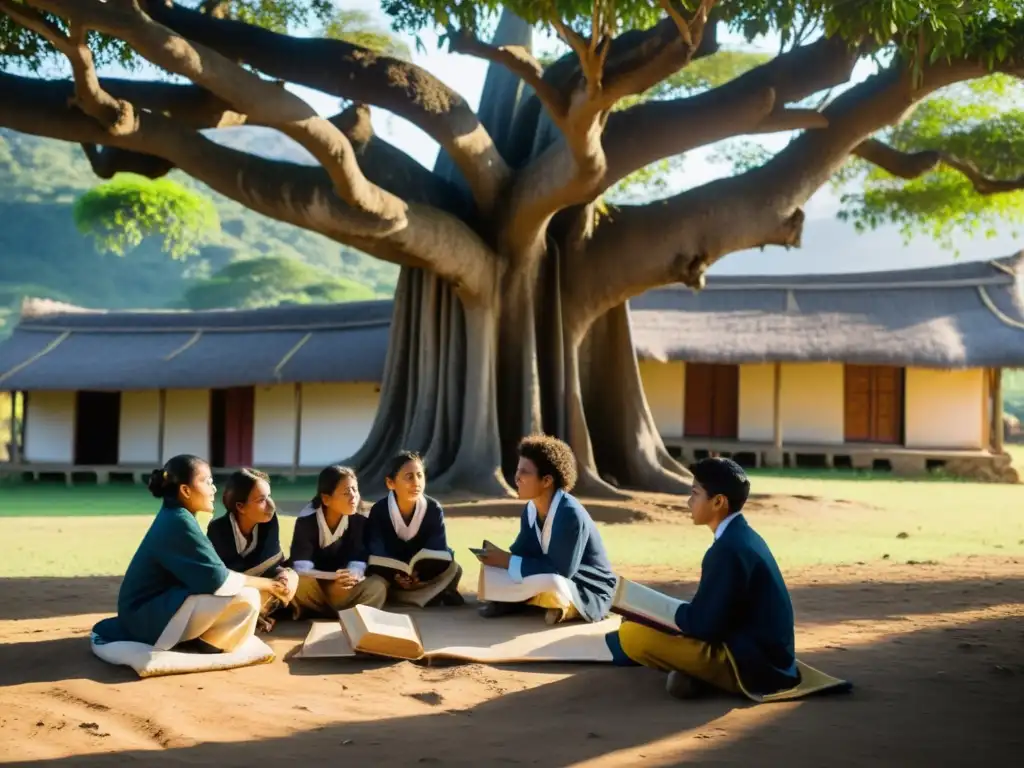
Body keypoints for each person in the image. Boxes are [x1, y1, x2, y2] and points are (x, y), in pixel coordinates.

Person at [607, 457, 800, 700]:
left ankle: (706, 677)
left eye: (695, 494)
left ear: (718, 501)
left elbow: (705, 628)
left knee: (632, 635)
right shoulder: (742, 536)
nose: (689, 502)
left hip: (754, 666)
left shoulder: (728, 549)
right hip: (767, 657)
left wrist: (657, 614)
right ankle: (695, 675)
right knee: (638, 624)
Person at [91, 455, 287, 653]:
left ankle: (204, 639)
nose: (214, 489)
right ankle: (209, 643)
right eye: (207, 482)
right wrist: (268, 584)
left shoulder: (178, 516)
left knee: (243, 595)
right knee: (248, 599)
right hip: (144, 616)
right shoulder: (179, 521)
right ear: (185, 490)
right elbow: (218, 580)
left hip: (150, 609)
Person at [476, 434, 616, 625]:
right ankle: (527, 602)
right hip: (547, 574)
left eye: (524, 472)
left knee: (553, 583)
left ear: (547, 480)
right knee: (492, 571)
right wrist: (498, 558)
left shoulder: (569, 513)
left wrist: (509, 561)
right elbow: (522, 552)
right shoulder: (531, 509)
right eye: (518, 470)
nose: (517, 478)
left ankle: (564, 607)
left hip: (584, 586)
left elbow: (561, 571)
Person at [365, 451, 464, 606]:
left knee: (455, 569)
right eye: (409, 477)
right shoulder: (380, 510)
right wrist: (396, 576)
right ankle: (435, 594)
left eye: (420, 475)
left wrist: (419, 576)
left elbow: (437, 548)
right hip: (392, 579)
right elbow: (376, 550)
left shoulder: (433, 509)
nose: (416, 482)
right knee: (376, 582)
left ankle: (424, 592)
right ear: (390, 483)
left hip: (423, 578)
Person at [288, 465, 388, 617]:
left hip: (345, 589)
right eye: (347, 492)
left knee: (378, 586)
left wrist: (351, 576)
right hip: (317, 587)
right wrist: (333, 578)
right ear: (326, 498)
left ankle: (346, 615)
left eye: (355, 490)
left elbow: (358, 557)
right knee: (296, 581)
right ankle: (333, 612)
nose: (353, 496)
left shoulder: (359, 518)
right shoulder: (307, 520)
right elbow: (301, 566)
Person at [206, 468, 299, 632]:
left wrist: (282, 575)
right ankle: (253, 614)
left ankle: (256, 614)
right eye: (261, 500)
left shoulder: (269, 521)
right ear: (241, 507)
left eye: (269, 496)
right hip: (234, 590)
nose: (271, 505)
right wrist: (266, 580)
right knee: (244, 595)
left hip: (262, 583)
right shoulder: (218, 529)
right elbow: (227, 576)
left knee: (292, 578)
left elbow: (271, 561)